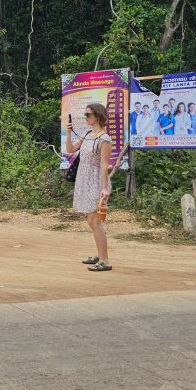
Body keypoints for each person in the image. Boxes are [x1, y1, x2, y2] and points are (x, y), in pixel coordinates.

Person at [65, 103, 113, 271]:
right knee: (90, 220)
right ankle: (100, 256)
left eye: (88, 114)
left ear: (98, 116)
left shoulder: (104, 138)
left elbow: (104, 165)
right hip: (84, 179)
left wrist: (104, 188)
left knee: (95, 221)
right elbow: (70, 150)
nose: (86, 117)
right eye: (85, 114)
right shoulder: (87, 134)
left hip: (96, 180)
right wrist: (69, 132)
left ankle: (105, 260)